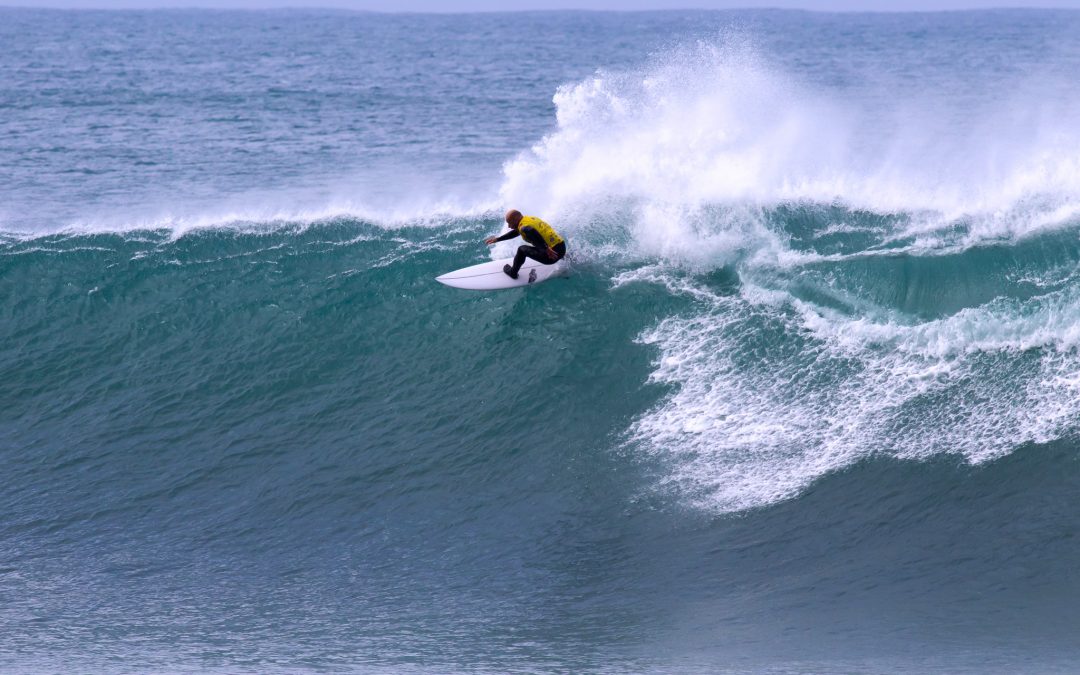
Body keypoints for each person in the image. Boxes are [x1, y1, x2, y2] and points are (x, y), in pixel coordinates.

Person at [484, 209, 566, 279]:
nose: (509, 226)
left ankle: (513, 273)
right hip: (562, 248)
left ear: (516, 220)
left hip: (551, 256)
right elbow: (518, 232)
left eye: (510, 223)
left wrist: (546, 249)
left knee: (522, 249)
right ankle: (565, 257)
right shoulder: (529, 219)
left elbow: (529, 230)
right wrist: (498, 239)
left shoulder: (524, 227)